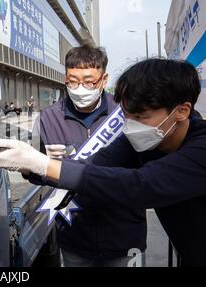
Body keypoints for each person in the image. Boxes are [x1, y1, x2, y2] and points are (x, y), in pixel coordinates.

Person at [0, 59, 206, 267]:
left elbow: (141, 186)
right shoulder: (141, 142)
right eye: (127, 116)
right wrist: (31, 164)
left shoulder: (204, 148)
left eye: (140, 117)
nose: (131, 126)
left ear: (181, 111)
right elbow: (90, 168)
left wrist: (42, 165)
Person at [32, 44, 147, 267]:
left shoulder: (126, 113)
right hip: (75, 238)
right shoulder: (48, 118)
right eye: (72, 81)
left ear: (104, 80)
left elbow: (146, 169)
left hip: (125, 236)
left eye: (88, 81)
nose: (79, 88)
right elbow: (34, 172)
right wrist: (37, 165)